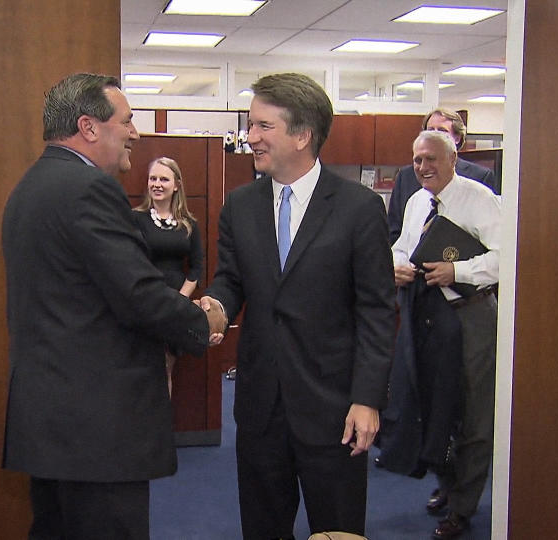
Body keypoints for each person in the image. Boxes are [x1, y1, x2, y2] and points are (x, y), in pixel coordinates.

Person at [1, 73, 227, 539]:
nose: (135, 133)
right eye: (126, 121)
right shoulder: (88, 190)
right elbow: (138, 294)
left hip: (53, 421)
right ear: (89, 127)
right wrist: (205, 321)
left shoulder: (31, 186)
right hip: (96, 429)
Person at [199, 73, 395, 539]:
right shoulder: (239, 206)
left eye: (263, 127)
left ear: (303, 135)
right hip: (261, 405)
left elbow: (377, 311)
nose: (250, 138)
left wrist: (367, 399)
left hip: (335, 410)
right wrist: (217, 308)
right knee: (263, 527)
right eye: (251, 125)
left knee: (339, 528)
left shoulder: (359, 208)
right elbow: (232, 279)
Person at [390, 130, 500, 539]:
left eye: (432, 159)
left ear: (454, 158)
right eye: (417, 160)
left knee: (473, 414)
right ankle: (449, 484)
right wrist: (395, 264)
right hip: (425, 314)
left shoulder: (480, 199)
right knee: (431, 405)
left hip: (469, 315)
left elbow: (509, 256)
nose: (423, 167)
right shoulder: (418, 201)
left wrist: (459, 271)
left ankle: (463, 507)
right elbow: (401, 247)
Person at [132, 156, 204, 396]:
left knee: (165, 370)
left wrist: (179, 301)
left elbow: (196, 268)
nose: (157, 184)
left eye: (164, 179)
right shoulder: (135, 219)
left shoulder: (188, 224)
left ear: (177, 185)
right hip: (144, 304)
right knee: (142, 371)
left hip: (175, 307)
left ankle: (161, 431)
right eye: (153, 178)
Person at [387, 108, 498, 244]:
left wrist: (455, 266)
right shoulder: (415, 196)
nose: (424, 167)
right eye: (430, 130)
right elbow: (399, 239)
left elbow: (498, 250)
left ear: (457, 138)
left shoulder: (480, 190)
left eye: (441, 131)